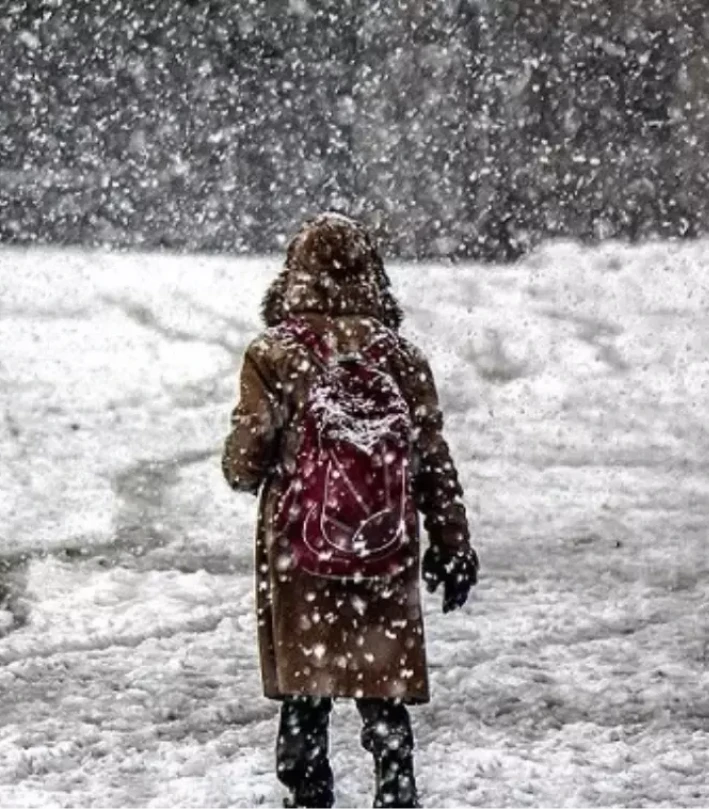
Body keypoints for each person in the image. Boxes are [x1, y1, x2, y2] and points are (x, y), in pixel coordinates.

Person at [222, 213, 479, 809]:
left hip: (300, 546)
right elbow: (432, 460)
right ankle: (395, 787)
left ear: (294, 275)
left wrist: (255, 463)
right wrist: (451, 541)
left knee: (305, 690)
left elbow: (245, 461)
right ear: (373, 275)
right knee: (379, 680)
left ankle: (306, 792)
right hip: (383, 547)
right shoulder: (402, 358)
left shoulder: (273, 354)